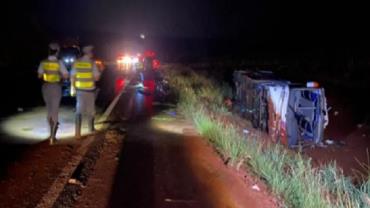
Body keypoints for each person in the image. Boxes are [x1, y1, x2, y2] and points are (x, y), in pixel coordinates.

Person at [37, 43, 69, 144]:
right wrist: (60, 78)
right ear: (57, 52)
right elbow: (65, 76)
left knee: (49, 110)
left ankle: (51, 130)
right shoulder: (59, 63)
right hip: (56, 87)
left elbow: (39, 76)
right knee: (55, 111)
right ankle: (52, 137)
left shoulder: (43, 62)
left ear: (48, 51)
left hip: (45, 87)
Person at [70, 45, 100, 138]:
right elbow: (97, 78)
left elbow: (72, 77)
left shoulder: (77, 62)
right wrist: (101, 71)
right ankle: (91, 129)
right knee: (91, 111)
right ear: (89, 53)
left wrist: (72, 89)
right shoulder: (92, 63)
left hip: (79, 91)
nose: (93, 54)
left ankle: (77, 133)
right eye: (92, 52)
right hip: (89, 91)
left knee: (79, 110)